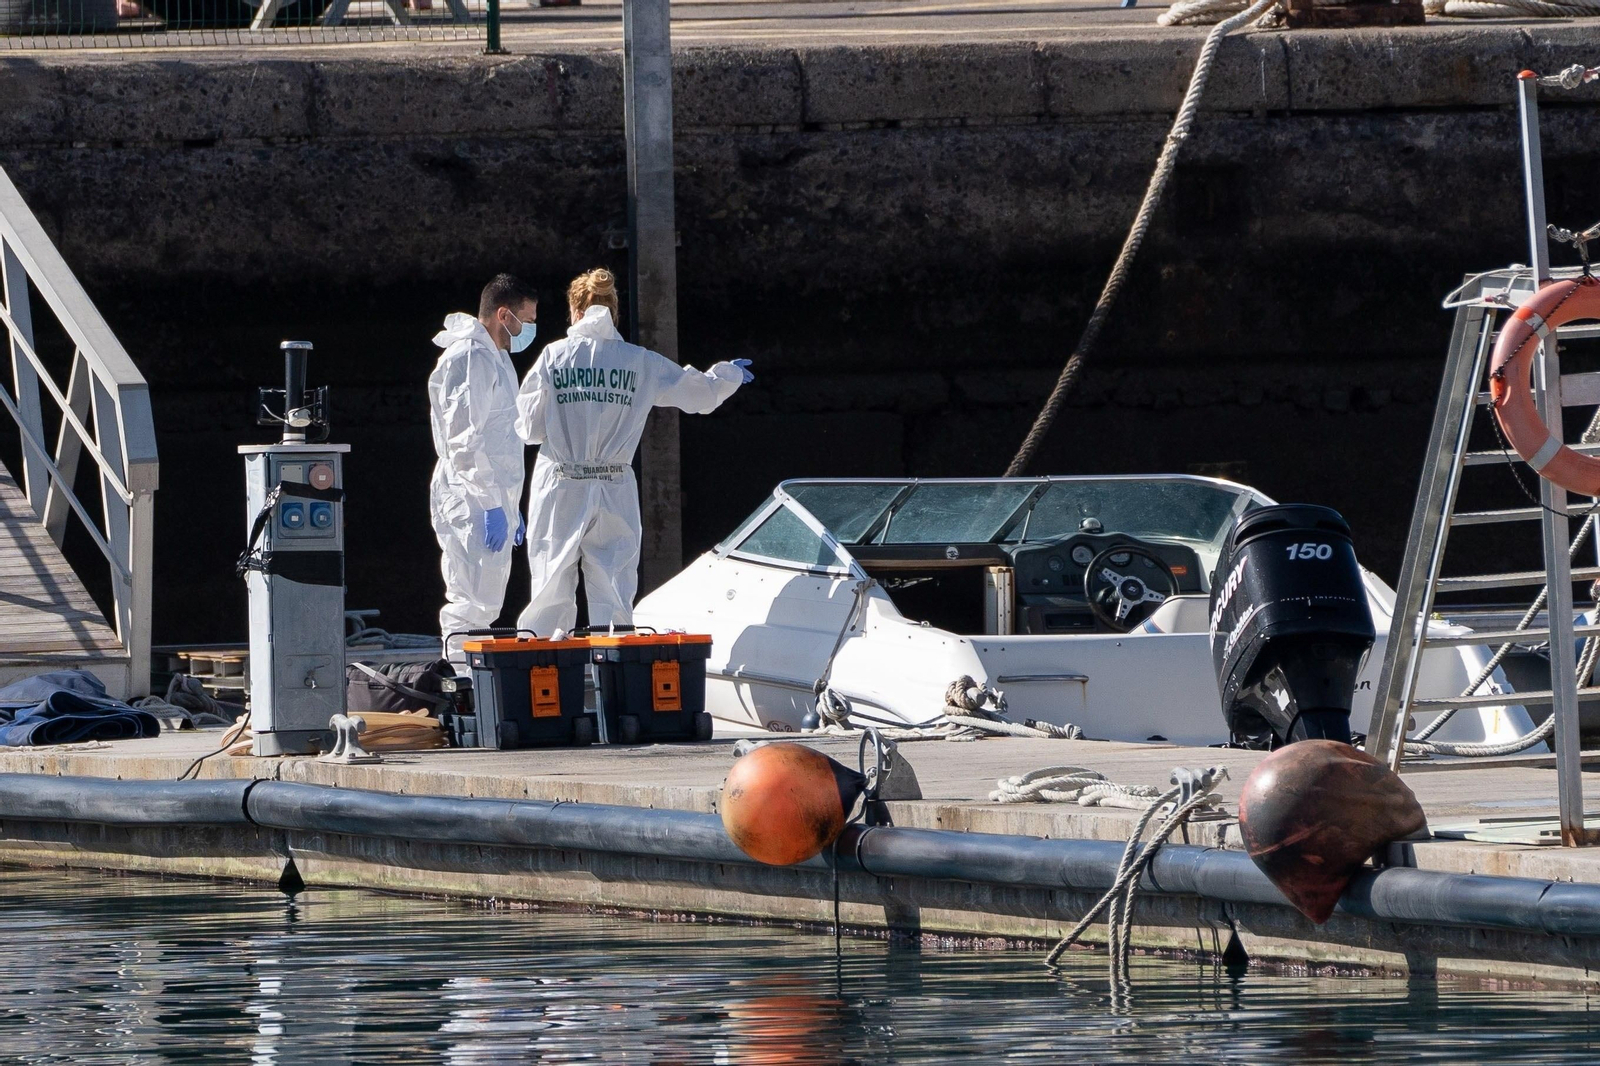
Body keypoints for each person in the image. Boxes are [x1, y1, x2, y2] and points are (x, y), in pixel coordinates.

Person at [514, 268, 753, 636]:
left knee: (550, 591)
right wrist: (727, 377)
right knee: (613, 594)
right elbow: (699, 395)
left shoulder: (553, 357)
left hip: (562, 484)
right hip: (615, 486)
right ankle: (615, 682)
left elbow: (529, 430)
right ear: (615, 312)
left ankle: (545, 682)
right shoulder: (640, 361)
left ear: (574, 312)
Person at [428, 273, 539, 663]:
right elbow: (463, 440)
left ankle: (470, 681)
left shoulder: (496, 357)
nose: (530, 329)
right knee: (469, 600)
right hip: (470, 497)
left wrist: (509, 504)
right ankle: (460, 681)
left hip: (489, 498)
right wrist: (493, 503)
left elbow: (501, 436)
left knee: (485, 602)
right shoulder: (470, 357)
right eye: (526, 319)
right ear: (503, 314)